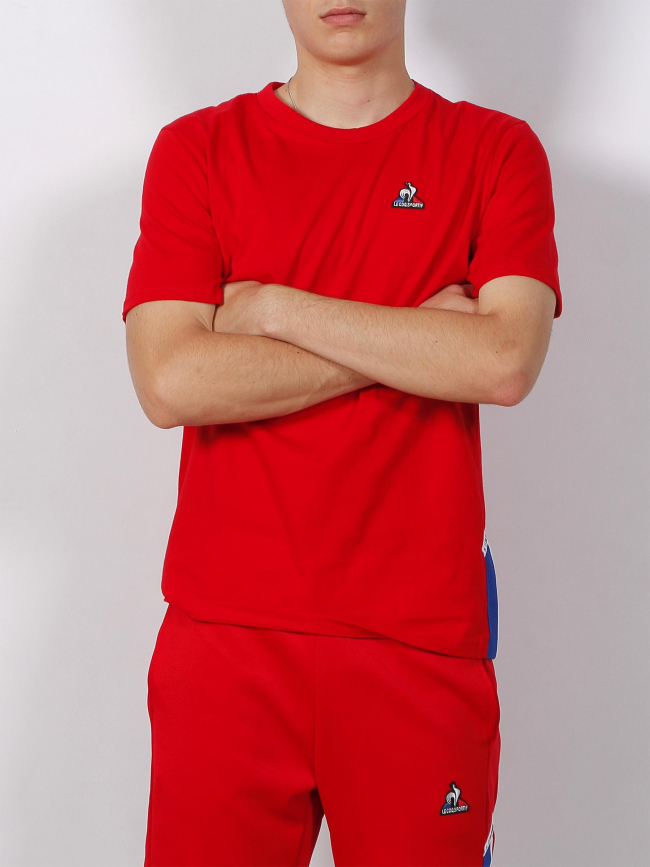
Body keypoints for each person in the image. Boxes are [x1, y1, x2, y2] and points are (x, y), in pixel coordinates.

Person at [122, 2, 562, 865]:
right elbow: (171, 380)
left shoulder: (496, 151)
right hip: (226, 642)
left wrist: (272, 308)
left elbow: (504, 360)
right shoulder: (197, 149)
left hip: (420, 644)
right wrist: (417, 337)